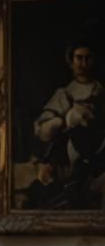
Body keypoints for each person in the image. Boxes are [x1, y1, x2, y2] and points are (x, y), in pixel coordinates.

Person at [29, 38, 105, 209]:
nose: (83, 63)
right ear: (71, 61)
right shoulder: (64, 94)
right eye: (79, 58)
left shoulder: (101, 93)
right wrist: (64, 120)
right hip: (66, 163)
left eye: (88, 58)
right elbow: (42, 131)